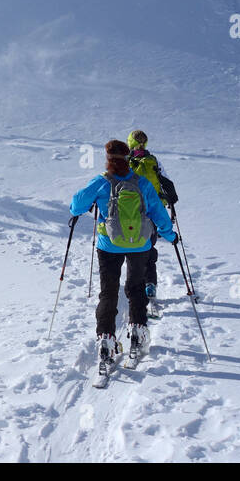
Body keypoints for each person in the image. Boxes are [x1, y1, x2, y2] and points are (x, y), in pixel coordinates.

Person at [70, 139, 176, 369]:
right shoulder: (143, 183)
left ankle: (106, 341)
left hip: (109, 244)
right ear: (128, 158)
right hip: (140, 244)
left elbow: (77, 205)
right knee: (135, 287)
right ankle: (137, 332)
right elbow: (158, 212)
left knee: (108, 292)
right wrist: (170, 234)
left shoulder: (101, 182)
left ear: (107, 159)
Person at [127, 129, 179, 317]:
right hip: (152, 212)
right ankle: (150, 284)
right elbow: (168, 184)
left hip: (130, 213)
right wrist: (170, 202)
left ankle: (135, 286)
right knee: (148, 247)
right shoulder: (154, 161)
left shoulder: (125, 162)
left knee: (132, 248)